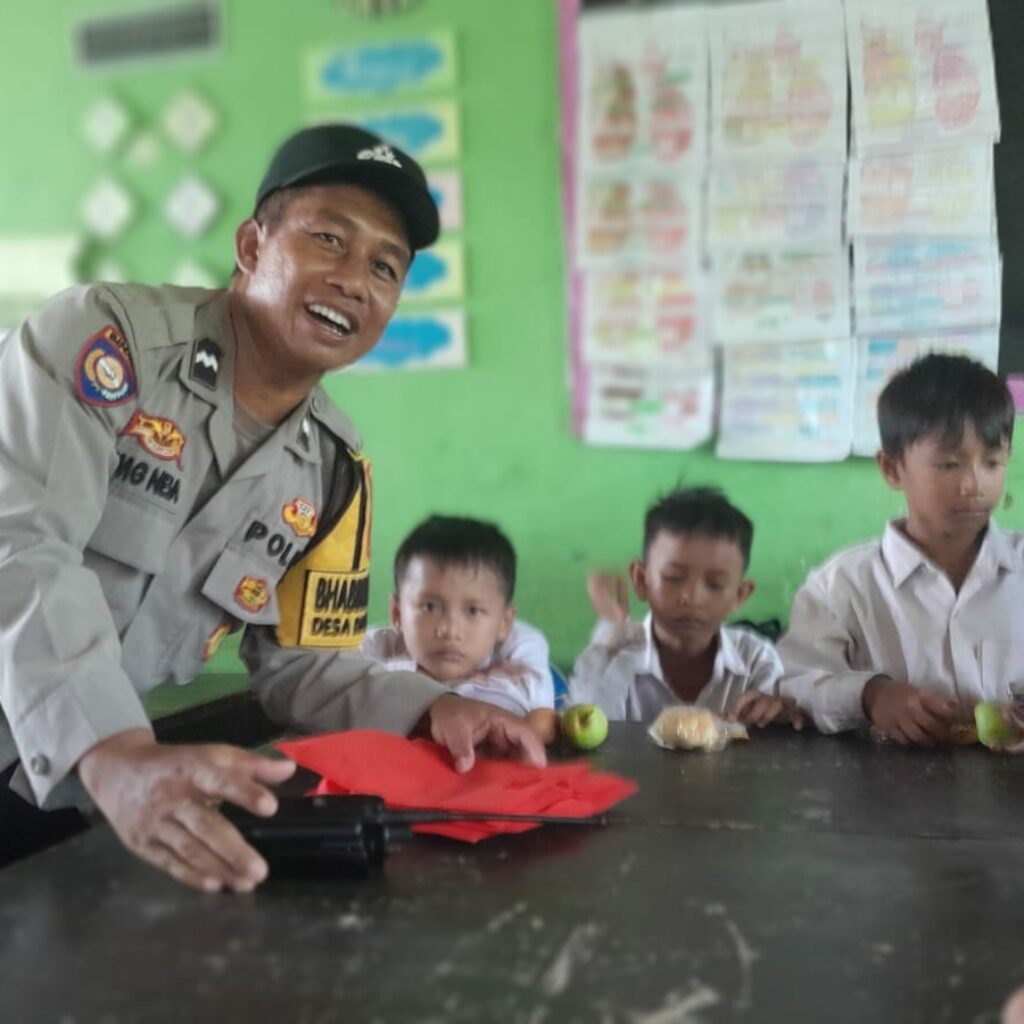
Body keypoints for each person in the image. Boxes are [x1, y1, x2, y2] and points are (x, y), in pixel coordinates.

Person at [0, 124, 544, 888]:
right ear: (252, 245)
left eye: (385, 268)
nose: (356, 279)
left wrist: (430, 709)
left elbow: (300, 660)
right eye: (329, 239)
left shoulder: (333, 472)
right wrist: (114, 750)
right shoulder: (105, 341)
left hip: (67, 787)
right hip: (95, 756)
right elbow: (22, 550)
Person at [777, 353, 1021, 745]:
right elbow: (794, 682)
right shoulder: (841, 587)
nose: (973, 485)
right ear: (892, 469)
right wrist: (872, 695)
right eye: (949, 464)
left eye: (992, 463)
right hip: (885, 797)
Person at [569, 486, 801, 728]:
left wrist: (777, 714)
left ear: (739, 595)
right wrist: (611, 624)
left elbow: (775, 742)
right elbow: (581, 725)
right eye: (673, 577)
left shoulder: (755, 661)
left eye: (715, 584)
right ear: (641, 580)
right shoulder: (613, 652)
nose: (691, 597)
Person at [361, 515, 554, 723]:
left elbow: (541, 722)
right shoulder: (372, 654)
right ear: (397, 614)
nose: (450, 630)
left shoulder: (519, 660)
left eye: (472, 611)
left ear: (504, 623)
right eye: (430, 607)